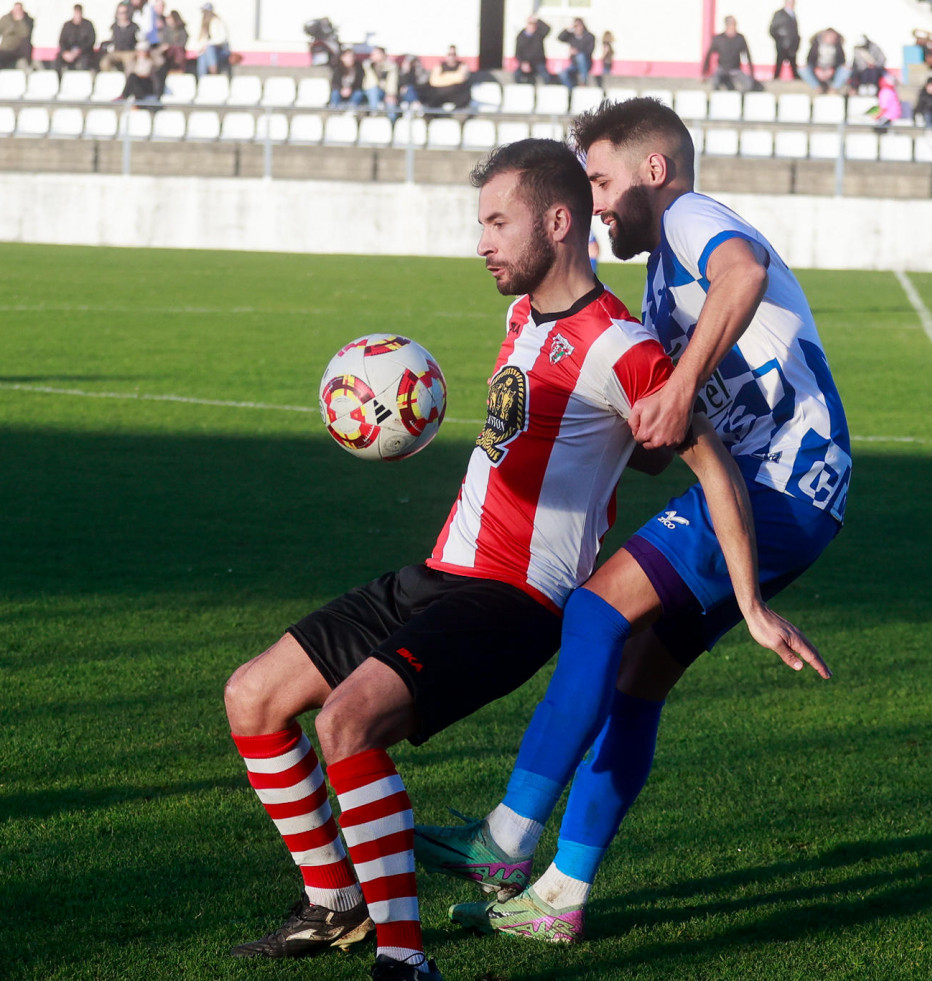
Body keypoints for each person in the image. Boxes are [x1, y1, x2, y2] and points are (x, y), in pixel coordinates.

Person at [222, 136, 812, 980]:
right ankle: (335, 906)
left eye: (498, 221)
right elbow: (632, 447)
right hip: (437, 574)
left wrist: (749, 603)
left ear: (559, 220)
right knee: (251, 695)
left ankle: (403, 958)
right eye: (480, 223)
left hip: (511, 599)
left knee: (347, 723)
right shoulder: (520, 312)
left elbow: (709, 462)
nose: (481, 240)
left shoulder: (622, 344)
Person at [416, 97, 850, 944]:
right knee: (635, 679)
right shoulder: (655, 287)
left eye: (604, 180)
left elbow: (745, 275)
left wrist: (680, 384)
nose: (597, 201)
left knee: (593, 610)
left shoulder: (690, 215)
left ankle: (504, 838)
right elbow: (659, 445)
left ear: (653, 170)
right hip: (797, 494)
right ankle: (561, 893)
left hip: (781, 480)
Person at [702, 15, 755, 92]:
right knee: (715, 83)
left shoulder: (740, 38)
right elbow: (708, 55)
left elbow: (747, 55)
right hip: (722, 69)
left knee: (748, 84)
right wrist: (704, 72)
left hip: (735, 70)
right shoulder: (719, 39)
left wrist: (752, 73)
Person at [417, 45, 471, 111]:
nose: (451, 57)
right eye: (449, 54)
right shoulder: (439, 66)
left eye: (453, 54)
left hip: (456, 95)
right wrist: (453, 77)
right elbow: (434, 81)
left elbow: (460, 78)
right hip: (440, 95)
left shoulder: (463, 65)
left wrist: (443, 77)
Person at [802, 27, 850, 93]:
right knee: (802, 69)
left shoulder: (838, 46)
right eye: (830, 36)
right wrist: (817, 69)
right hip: (817, 71)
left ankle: (833, 89)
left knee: (846, 68)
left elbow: (841, 61)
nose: (831, 38)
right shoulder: (815, 44)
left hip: (832, 71)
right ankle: (817, 88)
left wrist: (832, 70)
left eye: (834, 37)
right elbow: (810, 59)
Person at [99, 2, 139, 73]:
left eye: (124, 12)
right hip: (116, 52)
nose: (122, 15)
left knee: (130, 67)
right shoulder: (113, 27)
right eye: (120, 13)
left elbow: (140, 41)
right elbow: (108, 40)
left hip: (129, 52)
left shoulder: (134, 27)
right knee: (104, 63)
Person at [192, 2, 229, 77]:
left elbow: (222, 38)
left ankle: (213, 73)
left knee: (209, 49)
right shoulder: (204, 25)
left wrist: (208, 44)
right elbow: (201, 41)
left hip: (220, 51)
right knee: (203, 56)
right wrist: (202, 48)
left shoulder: (217, 22)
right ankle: (203, 77)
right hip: (207, 51)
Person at [56, 3, 96, 73]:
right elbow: (61, 41)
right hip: (68, 52)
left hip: (84, 53)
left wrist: (79, 51)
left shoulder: (88, 25)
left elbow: (91, 41)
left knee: (85, 62)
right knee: (57, 61)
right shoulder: (67, 25)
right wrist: (64, 52)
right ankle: (59, 81)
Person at [557, 18, 595, 90]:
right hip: (574, 65)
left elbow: (590, 51)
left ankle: (583, 81)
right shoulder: (572, 37)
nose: (577, 28)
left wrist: (577, 51)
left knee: (580, 56)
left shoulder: (589, 37)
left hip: (586, 63)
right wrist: (567, 29)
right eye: (575, 26)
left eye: (578, 26)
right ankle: (571, 90)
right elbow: (560, 38)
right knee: (562, 73)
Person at [364, 45, 399, 118]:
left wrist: (390, 94)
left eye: (376, 54)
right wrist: (371, 66)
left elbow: (392, 82)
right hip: (370, 91)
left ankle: (391, 123)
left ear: (383, 54)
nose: (373, 56)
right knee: (373, 90)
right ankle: (374, 114)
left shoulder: (391, 67)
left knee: (391, 102)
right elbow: (371, 83)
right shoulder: (368, 65)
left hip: (386, 91)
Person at [769, 0, 800, 81]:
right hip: (782, 44)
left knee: (793, 63)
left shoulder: (793, 14)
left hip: (792, 44)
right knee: (779, 62)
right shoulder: (779, 14)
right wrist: (780, 39)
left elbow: (794, 31)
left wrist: (797, 41)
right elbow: (772, 30)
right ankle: (776, 78)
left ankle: (796, 78)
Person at [514, 14, 550, 84]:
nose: (532, 26)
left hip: (538, 62)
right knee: (517, 75)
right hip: (525, 62)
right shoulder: (520, 37)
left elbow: (547, 28)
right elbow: (518, 53)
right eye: (530, 24)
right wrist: (523, 63)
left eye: (533, 24)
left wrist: (537, 20)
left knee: (545, 75)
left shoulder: (539, 35)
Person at [0, 2, 33, 69]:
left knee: (26, 45)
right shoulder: (5, 19)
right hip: (6, 48)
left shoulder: (27, 20)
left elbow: (25, 33)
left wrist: (20, 21)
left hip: (19, 50)